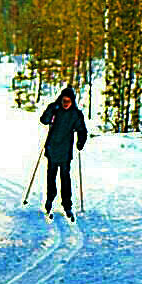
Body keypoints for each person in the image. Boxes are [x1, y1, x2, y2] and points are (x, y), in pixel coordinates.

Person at [39, 86, 87, 221]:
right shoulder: (55, 109)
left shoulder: (75, 114)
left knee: (65, 179)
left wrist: (81, 141)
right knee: (51, 177)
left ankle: (67, 205)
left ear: (72, 101)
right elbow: (44, 120)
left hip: (65, 152)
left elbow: (82, 130)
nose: (66, 104)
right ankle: (49, 200)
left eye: (68, 101)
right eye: (64, 101)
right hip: (52, 149)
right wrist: (51, 109)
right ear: (60, 100)